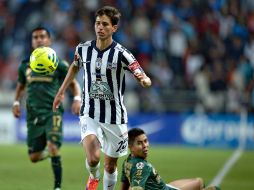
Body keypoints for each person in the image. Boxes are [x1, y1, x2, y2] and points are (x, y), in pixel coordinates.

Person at [53, 5, 152, 190]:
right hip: (89, 112)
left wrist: (144, 80)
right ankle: (93, 176)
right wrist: (60, 92)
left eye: (105, 24)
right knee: (93, 158)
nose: (100, 27)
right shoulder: (82, 49)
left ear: (114, 28)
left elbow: (139, 71)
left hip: (115, 117)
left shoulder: (122, 53)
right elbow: (74, 67)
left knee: (110, 165)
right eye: (97, 23)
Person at [12, 26, 81, 190]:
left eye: (42, 36)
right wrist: (15, 102)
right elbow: (21, 86)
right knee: (34, 157)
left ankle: (57, 187)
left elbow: (73, 84)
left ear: (49, 40)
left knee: (52, 146)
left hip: (53, 111)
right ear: (31, 41)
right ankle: (51, 154)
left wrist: (77, 99)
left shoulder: (59, 64)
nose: (39, 39)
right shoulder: (25, 65)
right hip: (33, 114)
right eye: (35, 37)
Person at [120, 128, 221, 190]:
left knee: (199, 182)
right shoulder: (142, 166)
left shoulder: (127, 162)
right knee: (211, 187)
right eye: (139, 143)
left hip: (164, 187)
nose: (145, 145)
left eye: (146, 141)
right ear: (130, 146)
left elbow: (124, 185)